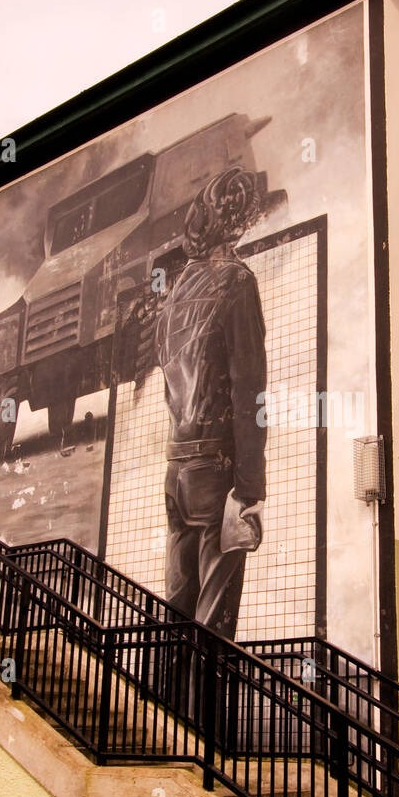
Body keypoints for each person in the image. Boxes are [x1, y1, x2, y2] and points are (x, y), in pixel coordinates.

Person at [155, 166, 267, 640]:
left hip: (176, 468)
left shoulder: (178, 290)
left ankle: (162, 709)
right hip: (217, 467)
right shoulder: (237, 282)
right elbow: (249, 393)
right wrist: (249, 488)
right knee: (214, 622)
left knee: (176, 610)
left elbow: (168, 381)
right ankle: (202, 716)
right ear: (239, 219)